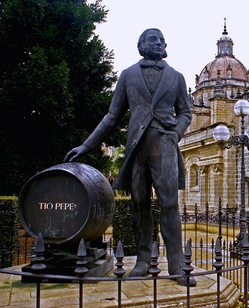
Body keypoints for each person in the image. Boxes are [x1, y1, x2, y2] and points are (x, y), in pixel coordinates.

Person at [64, 28, 194, 286]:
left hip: (165, 144)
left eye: (162, 40)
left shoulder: (177, 77)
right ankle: (144, 260)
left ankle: (177, 266)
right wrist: (87, 146)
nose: (159, 43)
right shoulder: (127, 75)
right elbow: (112, 117)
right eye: (153, 39)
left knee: (169, 204)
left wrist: (176, 134)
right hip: (136, 148)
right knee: (139, 204)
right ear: (141, 45)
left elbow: (186, 113)